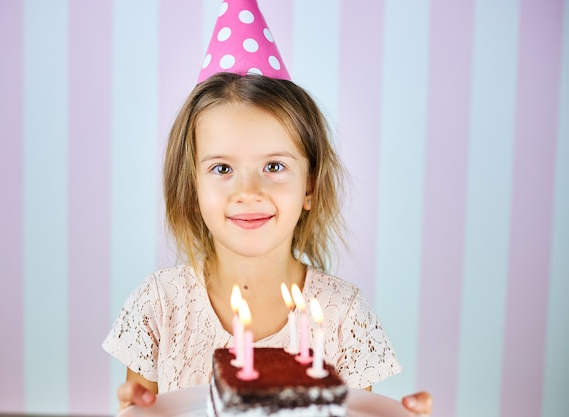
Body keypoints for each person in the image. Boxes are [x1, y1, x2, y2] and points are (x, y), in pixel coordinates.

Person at [103, 72, 432, 416]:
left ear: (309, 186)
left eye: (274, 166)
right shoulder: (159, 305)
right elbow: (142, 406)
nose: (248, 191)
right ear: (192, 189)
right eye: (222, 168)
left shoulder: (343, 316)